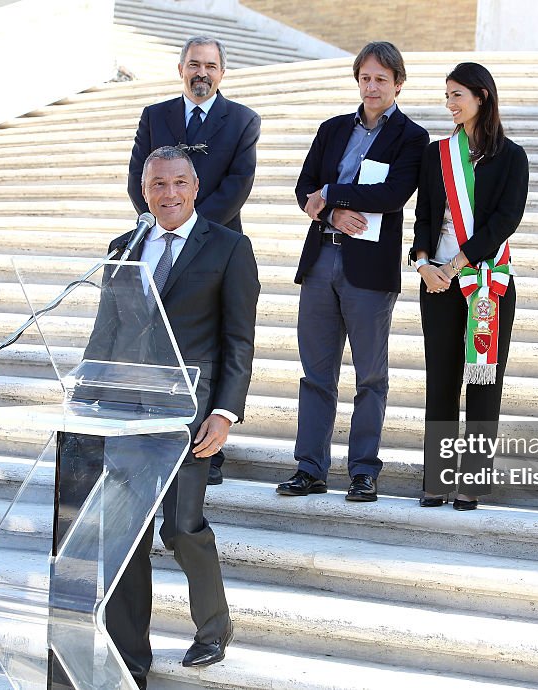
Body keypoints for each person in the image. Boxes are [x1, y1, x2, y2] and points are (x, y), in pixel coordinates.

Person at [97, 146, 259, 685]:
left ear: (195, 187)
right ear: (145, 192)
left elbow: (238, 340)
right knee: (126, 537)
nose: (168, 194)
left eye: (178, 184)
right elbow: (106, 333)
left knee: (182, 526)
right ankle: (130, 659)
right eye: (158, 185)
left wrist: (225, 412)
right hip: (127, 414)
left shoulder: (231, 249)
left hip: (189, 413)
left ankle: (213, 627)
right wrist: (86, 397)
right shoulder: (124, 247)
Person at [275, 42, 429, 502]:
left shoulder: (411, 137)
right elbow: (303, 188)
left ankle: (363, 470)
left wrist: (332, 194)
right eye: (365, 77)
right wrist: (329, 214)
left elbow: (392, 195)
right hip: (323, 258)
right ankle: (310, 468)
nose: (372, 86)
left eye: (382, 78)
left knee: (370, 377)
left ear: (398, 83)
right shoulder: (332, 129)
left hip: (370, 270)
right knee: (316, 373)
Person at [127, 36, 260, 484]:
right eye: (193, 64)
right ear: (180, 69)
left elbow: (238, 184)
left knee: (214, 341)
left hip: (217, 249)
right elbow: (137, 179)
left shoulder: (242, 120)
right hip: (158, 242)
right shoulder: (154, 116)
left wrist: (193, 231)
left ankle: (209, 449)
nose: (201, 72)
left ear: (222, 72)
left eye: (210, 65)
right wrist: (165, 223)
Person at [410, 62, 529, 511]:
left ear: (482, 96)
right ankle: (437, 478)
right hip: (438, 281)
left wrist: (460, 261)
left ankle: (474, 479)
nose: (449, 104)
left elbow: (505, 220)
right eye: (447, 95)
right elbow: (424, 216)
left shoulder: (512, 157)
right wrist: (423, 263)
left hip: (485, 284)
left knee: (481, 379)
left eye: (457, 94)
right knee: (440, 379)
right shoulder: (436, 153)